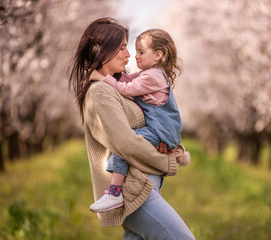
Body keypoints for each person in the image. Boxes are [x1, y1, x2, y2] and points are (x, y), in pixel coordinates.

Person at [68, 17, 195, 239]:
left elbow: (152, 125)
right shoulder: (101, 92)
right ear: (101, 50)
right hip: (134, 192)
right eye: (121, 48)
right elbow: (126, 143)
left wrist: (171, 145)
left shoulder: (120, 86)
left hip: (144, 186)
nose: (129, 55)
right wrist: (167, 161)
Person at [88, 28, 190, 213]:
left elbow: (126, 88)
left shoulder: (153, 76)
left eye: (141, 52)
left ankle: (114, 192)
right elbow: (127, 79)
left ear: (158, 55)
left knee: (122, 146)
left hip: (160, 131)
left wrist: (101, 77)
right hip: (163, 131)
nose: (135, 56)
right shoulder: (151, 74)